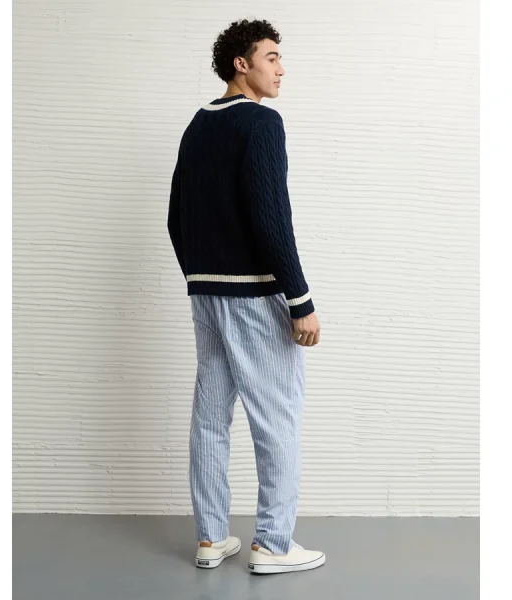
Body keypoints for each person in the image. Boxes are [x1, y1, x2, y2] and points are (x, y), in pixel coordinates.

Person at [167, 18, 324, 575]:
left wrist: (200, 277)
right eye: (271, 57)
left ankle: (212, 538)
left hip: (206, 295)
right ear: (242, 64)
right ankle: (273, 544)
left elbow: (175, 217)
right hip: (255, 296)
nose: (281, 69)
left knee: (211, 417)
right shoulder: (261, 122)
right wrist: (300, 300)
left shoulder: (198, 125)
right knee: (276, 416)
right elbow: (271, 218)